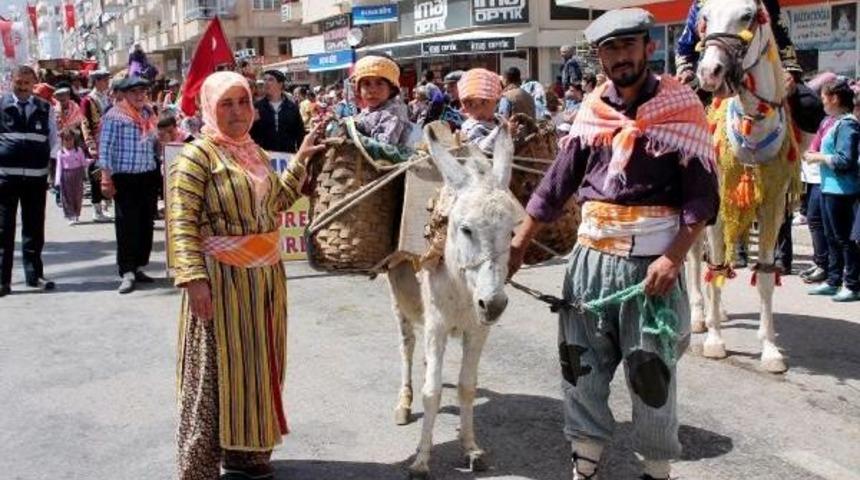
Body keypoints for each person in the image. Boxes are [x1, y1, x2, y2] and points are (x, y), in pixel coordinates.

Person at [509, 9, 719, 480]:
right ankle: (585, 469)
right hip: (588, 263)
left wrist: (673, 258)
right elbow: (556, 184)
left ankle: (657, 471)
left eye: (629, 46)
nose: (620, 57)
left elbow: (702, 201)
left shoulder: (682, 109)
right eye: (610, 49)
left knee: (652, 376)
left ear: (648, 47)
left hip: (651, 270)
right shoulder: (593, 110)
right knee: (579, 369)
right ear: (600, 57)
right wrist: (519, 243)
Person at [169, 70, 324, 480]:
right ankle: (199, 467)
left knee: (258, 368)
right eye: (226, 103)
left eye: (242, 102)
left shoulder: (251, 151)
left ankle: (248, 454)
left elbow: (276, 202)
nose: (237, 112)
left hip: (264, 283)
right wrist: (194, 279)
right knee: (214, 374)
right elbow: (181, 222)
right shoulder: (197, 156)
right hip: (220, 281)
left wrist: (303, 158)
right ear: (209, 108)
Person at [0, 65, 58, 297]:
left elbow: (53, 140)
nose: (23, 87)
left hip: (36, 178)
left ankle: (35, 276)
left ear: (33, 83)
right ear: (11, 81)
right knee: (3, 229)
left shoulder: (45, 108)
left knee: (34, 228)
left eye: (27, 83)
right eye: (19, 82)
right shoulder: (1, 105)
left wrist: (53, 170)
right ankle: (3, 281)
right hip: (5, 179)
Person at [98, 76, 160, 294]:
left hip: (147, 175)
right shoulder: (114, 116)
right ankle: (127, 270)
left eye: (143, 91)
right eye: (135, 92)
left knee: (146, 224)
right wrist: (106, 178)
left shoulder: (148, 114)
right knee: (127, 225)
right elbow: (105, 149)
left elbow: (155, 143)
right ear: (124, 94)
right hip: (125, 178)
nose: (140, 95)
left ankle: (138, 265)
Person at [804, 79, 860, 302]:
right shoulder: (831, 122)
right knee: (831, 237)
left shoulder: (847, 125)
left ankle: (852, 283)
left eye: (824, 97)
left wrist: (817, 157)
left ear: (835, 98)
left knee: (845, 239)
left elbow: (844, 160)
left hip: (843, 191)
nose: (822, 102)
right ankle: (833, 280)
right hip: (828, 188)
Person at [674, 0, 801, 85]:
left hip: (762, 77)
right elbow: (685, 47)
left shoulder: (762, 2)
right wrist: (685, 70)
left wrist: (789, 71)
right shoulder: (701, 4)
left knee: (808, 104)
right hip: (713, 75)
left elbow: (779, 35)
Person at [353, 55, 411, 146]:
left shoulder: (394, 112)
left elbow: (387, 142)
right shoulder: (365, 112)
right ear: (359, 89)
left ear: (391, 89)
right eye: (366, 84)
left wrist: (359, 134)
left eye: (379, 83)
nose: (372, 90)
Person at [80, 69, 113, 222]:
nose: (107, 83)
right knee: (96, 174)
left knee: (108, 174)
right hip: (97, 142)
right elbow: (85, 123)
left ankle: (106, 207)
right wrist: (90, 145)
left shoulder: (107, 98)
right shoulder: (88, 100)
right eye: (105, 80)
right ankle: (97, 209)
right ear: (97, 81)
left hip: (108, 141)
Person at [250, 70, 305, 153]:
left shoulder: (292, 107)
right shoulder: (257, 107)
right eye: (265, 80)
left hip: (287, 156)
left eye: (271, 80)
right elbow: (250, 135)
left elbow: (299, 134)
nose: (266, 83)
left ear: (280, 84)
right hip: (264, 156)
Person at [458, 68, 504, 155]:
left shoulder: (498, 119)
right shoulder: (472, 128)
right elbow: (483, 150)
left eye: (487, 101)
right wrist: (503, 130)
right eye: (470, 104)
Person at [56, 129, 89, 225]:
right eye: (66, 139)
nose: (68, 141)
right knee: (67, 196)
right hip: (66, 176)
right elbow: (59, 167)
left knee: (78, 195)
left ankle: (77, 213)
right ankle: (70, 215)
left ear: (74, 139)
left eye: (70, 139)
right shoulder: (61, 153)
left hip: (77, 174)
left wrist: (90, 161)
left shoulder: (78, 150)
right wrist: (58, 180)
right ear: (62, 141)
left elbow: (83, 163)